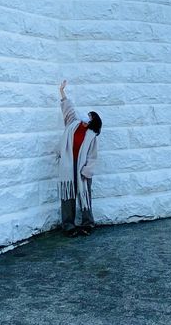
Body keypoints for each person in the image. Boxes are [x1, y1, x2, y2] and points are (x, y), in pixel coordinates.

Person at [58, 79, 102, 237]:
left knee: (85, 195)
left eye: (89, 116)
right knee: (68, 195)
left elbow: (93, 156)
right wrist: (62, 91)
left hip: (82, 169)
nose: (85, 116)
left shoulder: (91, 136)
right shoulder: (73, 124)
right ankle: (68, 225)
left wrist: (87, 170)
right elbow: (68, 109)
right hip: (68, 166)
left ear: (91, 121)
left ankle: (87, 223)